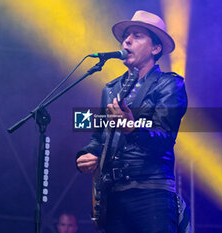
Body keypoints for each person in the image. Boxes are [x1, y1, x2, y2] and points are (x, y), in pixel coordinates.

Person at [76, 10, 189, 233]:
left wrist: (132, 128)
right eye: (126, 36)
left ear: (156, 48)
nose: (126, 40)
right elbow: (99, 135)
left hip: (151, 193)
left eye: (137, 36)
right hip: (114, 196)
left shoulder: (168, 85)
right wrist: (88, 153)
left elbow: (165, 137)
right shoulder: (110, 89)